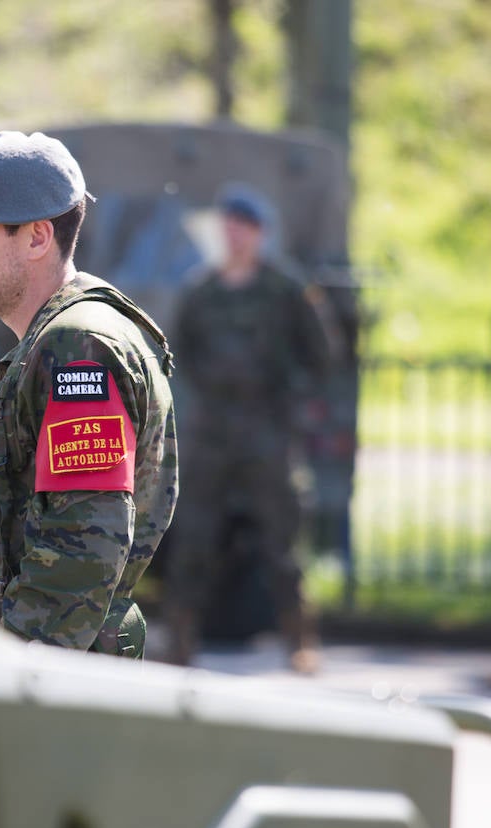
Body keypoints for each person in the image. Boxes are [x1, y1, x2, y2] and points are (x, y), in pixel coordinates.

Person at [0, 131, 178, 658]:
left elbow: (82, 550)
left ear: (37, 237)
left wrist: (14, 672)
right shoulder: (56, 339)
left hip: (49, 680)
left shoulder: (77, 345)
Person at [163, 184, 338, 671]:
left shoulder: (285, 290)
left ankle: (300, 639)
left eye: (245, 227)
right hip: (213, 430)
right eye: (229, 227)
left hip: (268, 429)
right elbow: (181, 354)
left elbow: (322, 355)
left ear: (260, 234)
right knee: (194, 537)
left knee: (282, 540)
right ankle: (179, 639)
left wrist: (290, 401)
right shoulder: (200, 290)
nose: (235, 236)